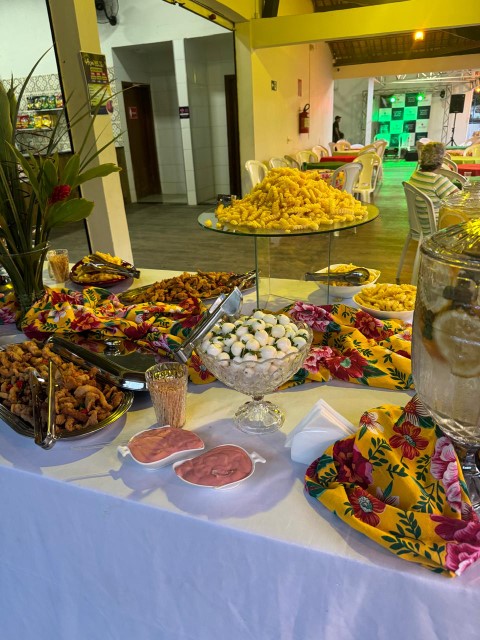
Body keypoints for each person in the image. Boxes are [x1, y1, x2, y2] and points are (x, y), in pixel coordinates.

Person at [408, 141, 459, 231]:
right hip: (435, 228)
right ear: (441, 160)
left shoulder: (415, 175)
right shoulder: (436, 180)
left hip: (418, 225)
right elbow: (460, 198)